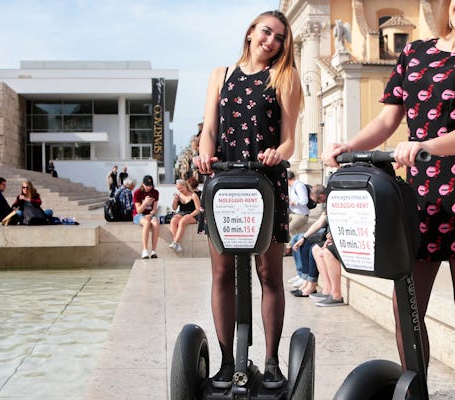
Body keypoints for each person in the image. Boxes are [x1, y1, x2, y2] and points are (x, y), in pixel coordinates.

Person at [323, 1, 455, 397]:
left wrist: (427, 146)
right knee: (407, 307)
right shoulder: (415, 53)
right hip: (416, 198)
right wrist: (347, 146)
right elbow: (388, 120)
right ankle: (415, 393)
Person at [192, 10, 302, 390]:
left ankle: (271, 364)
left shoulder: (284, 77)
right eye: (266, 32)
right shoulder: (220, 75)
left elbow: (290, 139)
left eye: (279, 38)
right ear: (251, 32)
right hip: (223, 182)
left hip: (265, 182)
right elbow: (209, 129)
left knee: (269, 275)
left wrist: (278, 153)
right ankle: (226, 363)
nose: (270, 41)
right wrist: (205, 154)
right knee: (221, 274)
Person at [289, 184, 327, 297]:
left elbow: (321, 223)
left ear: (322, 195)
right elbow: (319, 222)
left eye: (318, 201)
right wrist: (304, 237)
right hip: (325, 230)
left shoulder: (332, 200)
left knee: (312, 247)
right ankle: (305, 280)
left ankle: (311, 284)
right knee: (301, 240)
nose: (318, 204)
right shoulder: (327, 203)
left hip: (330, 233)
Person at [167, 179, 201, 252]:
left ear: (185, 186)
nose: (180, 190)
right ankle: (177, 243)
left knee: (182, 222)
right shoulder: (179, 195)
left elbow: (198, 209)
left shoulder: (193, 195)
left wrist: (190, 215)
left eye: (181, 188)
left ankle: (175, 242)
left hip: (193, 214)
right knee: (173, 220)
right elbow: (174, 208)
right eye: (178, 188)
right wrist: (175, 200)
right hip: (182, 213)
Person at [132, 175, 160, 259]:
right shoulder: (137, 192)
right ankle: (144, 250)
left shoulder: (155, 192)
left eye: (150, 185)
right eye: (147, 185)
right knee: (146, 223)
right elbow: (138, 211)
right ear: (142, 184)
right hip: (138, 215)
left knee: (155, 223)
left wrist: (151, 215)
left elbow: (154, 209)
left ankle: (153, 251)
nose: (148, 187)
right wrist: (145, 203)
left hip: (150, 214)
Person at [286, 170, 310, 242]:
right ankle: (288, 246)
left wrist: (293, 203)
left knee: (290, 228)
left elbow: (304, 201)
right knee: (283, 225)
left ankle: (297, 244)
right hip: (293, 213)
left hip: (301, 214)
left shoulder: (299, 186)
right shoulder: (292, 187)